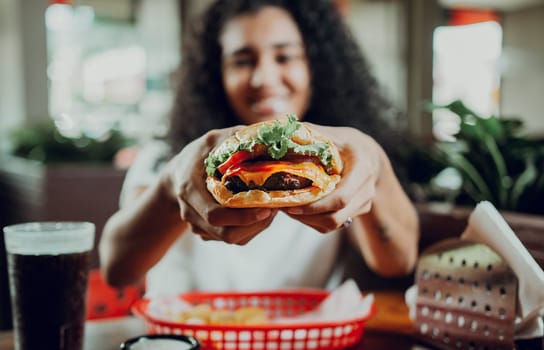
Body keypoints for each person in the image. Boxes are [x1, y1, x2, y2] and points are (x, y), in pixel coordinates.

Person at [99, 0, 419, 296]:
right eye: (242, 61)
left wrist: (374, 160)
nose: (264, 77)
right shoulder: (164, 155)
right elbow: (117, 268)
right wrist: (171, 187)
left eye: (285, 56)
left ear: (316, 67)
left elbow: (398, 263)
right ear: (216, 75)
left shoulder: (341, 163)